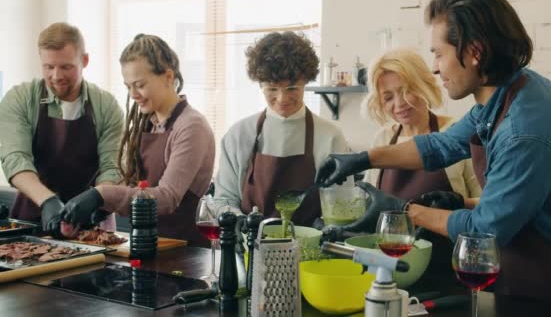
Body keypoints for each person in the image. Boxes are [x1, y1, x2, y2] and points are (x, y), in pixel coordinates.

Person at [315, 0, 551, 312]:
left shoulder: (523, 132)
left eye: (439, 54)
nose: (436, 68)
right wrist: (363, 159)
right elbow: (443, 145)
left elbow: (483, 230)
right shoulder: (508, 93)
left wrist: (406, 211)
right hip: (523, 275)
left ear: (474, 53)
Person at [61, 34, 215, 246]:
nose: (133, 94)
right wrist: (101, 207)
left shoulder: (191, 126)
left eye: (140, 85)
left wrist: (102, 195)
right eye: (128, 86)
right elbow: (135, 183)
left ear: (168, 77)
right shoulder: (148, 123)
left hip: (185, 251)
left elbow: (167, 197)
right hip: (147, 245)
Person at [361, 47, 481, 273]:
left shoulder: (455, 135)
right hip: (392, 267)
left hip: (451, 267)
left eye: (407, 90)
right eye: (388, 97)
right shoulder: (383, 138)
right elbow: (368, 204)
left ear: (424, 85)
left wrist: (457, 203)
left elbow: (485, 203)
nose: (399, 104)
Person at [213, 31, 350, 226]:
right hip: (250, 248)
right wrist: (241, 222)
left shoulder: (330, 136)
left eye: (292, 88)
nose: (282, 99)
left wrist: (324, 227)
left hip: (311, 250)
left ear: (306, 82)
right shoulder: (238, 135)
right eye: (272, 89)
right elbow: (224, 199)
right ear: (260, 85)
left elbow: (342, 206)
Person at [0, 22, 123, 236]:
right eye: (48, 67)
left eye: (66, 67)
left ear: (84, 61)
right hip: (32, 217)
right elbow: (15, 158)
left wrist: (98, 199)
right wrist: (48, 200)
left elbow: (112, 167)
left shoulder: (106, 105)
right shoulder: (20, 99)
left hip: (90, 224)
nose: (56, 76)